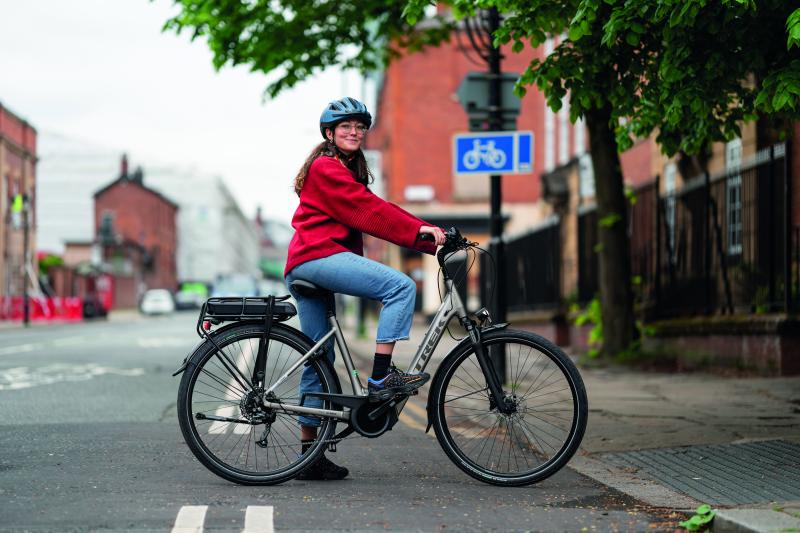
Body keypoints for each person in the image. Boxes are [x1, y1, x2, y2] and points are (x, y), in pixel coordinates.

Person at [284, 97, 445, 480]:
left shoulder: (342, 169)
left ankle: (310, 456)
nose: (354, 132)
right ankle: (381, 377)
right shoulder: (326, 168)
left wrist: (423, 232)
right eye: (345, 127)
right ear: (329, 133)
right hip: (317, 257)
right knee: (401, 287)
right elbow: (369, 210)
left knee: (317, 360)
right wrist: (420, 233)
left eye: (359, 127)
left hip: (306, 263)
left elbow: (374, 204)